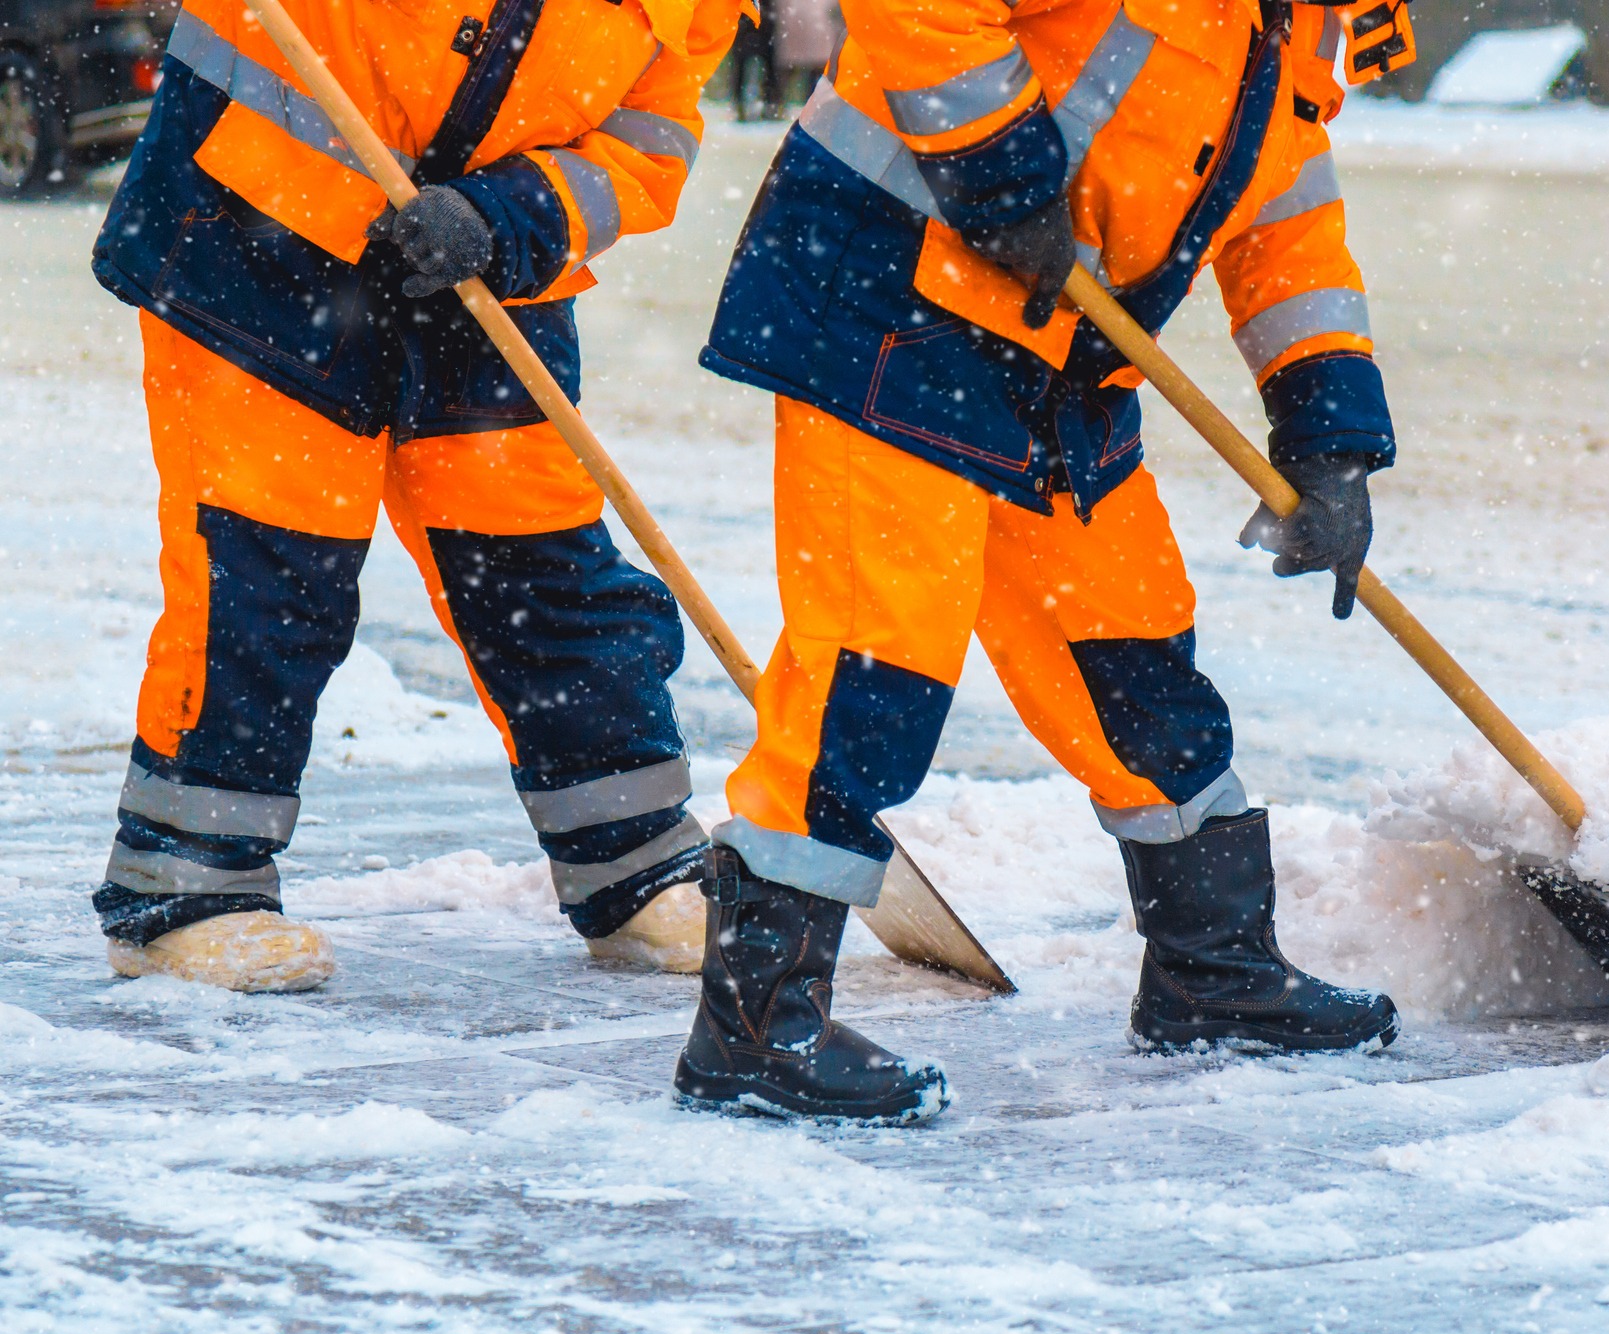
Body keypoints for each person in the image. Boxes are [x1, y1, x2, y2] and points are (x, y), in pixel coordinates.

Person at [683, 0, 1420, 1123]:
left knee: (1132, 650)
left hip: (1060, 347)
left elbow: (1283, 210)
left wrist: (1329, 433)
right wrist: (1003, 169)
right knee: (877, 662)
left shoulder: (1326, 19)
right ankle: (753, 1027)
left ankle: (1210, 974)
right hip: (891, 291)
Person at [87, 0, 749, 993]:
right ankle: (186, 891)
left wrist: (506, 215)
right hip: (257, 231)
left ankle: (637, 864)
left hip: (484, 275)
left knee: (543, 566)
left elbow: (644, 149)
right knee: (270, 572)